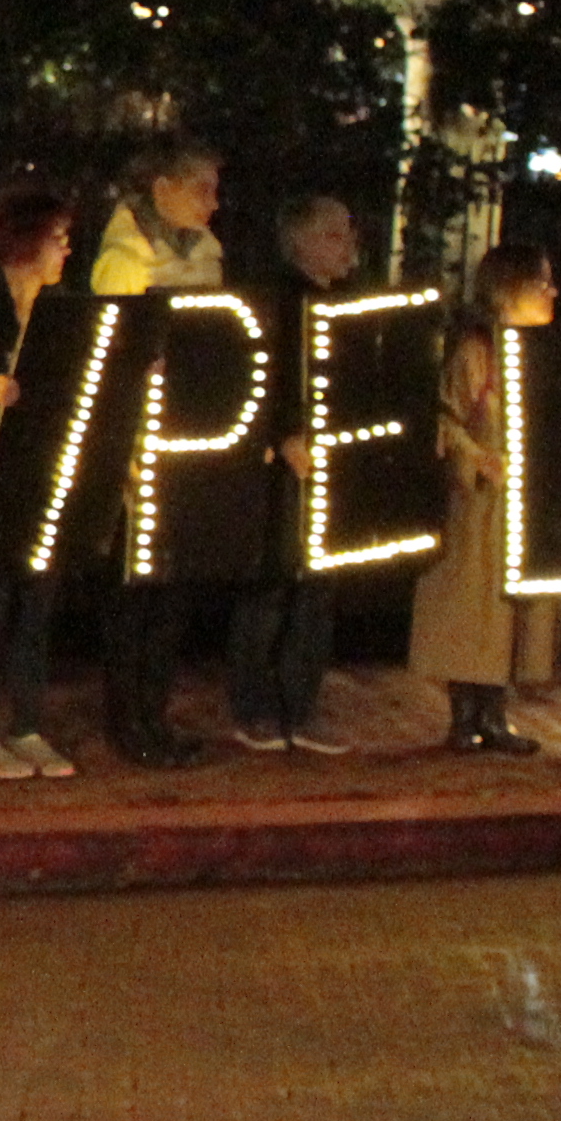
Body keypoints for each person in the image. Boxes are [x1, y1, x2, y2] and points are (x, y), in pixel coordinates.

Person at [85, 135, 230, 767]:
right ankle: (131, 722)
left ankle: (154, 716)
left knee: (171, 591)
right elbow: (114, 358)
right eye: (201, 187)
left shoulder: (205, 254)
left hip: (189, 439)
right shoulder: (125, 260)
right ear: (163, 189)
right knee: (136, 593)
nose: (214, 203)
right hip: (143, 444)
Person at [224, 193, 369, 755]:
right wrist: (284, 433)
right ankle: (253, 707)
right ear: (301, 241)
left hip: (330, 463)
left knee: (317, 591)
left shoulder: (345, 301)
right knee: (271, 586)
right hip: (285, 467)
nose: (348, 244)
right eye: (334, 234)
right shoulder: (279, 300)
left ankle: (300, 707)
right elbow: (262, 376)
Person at [0, 182, 82, 780]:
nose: (67, 251)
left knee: (38, 604)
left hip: (42, 473)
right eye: (58, 238)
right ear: (24, 241)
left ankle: (27, 724)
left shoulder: (61, 313)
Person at [409, 243, 561, 753]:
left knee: (514, 614)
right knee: (474, 608)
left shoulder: (543, 350)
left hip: (524, 505)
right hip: (481, 506)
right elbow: (445, 417)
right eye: (542, 283)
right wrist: (475, 457)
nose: (552, 292)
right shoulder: (478, 351)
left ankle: (495, 714)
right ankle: (464, 715)